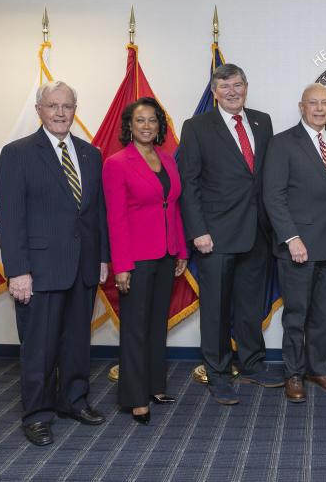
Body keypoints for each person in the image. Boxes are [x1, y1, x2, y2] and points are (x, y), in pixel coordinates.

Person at [0, 81, 109, 446]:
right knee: (39, 348)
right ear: (39, 110)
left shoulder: (90, 154)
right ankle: (38, 414)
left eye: (67, 106)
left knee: (77, 343)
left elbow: (97, 214)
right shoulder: (18, 153)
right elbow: (11, 218)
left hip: (84, 266)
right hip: (39, 270)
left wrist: (104, 257)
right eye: (53, 106)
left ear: (75, 110)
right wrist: (17, 271)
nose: (61, 113)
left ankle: (73, 401)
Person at [178, 63, 280, 405]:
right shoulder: (197, 126)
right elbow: (188, 183)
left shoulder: (262, 121)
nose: (232, 91)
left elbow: (264, 176)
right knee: (217, 308)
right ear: (214, 91)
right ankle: (218, 373)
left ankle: (251, 363)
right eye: (224, 87)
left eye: (237, 85)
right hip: (215, 236)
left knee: (250, 305)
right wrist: (198, 231)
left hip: (257, 232)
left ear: (246, 87)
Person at [102, 97, 188, 425]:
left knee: (156, 324)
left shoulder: (167, 160)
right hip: (136, 258)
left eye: (152, 120)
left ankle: (155, 386)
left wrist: (181, 250)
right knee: (135, 329)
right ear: (129, 126)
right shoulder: (117, 163)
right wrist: (121, 264)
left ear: (159, 126)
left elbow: (173, 206)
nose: (147, 126)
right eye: (140, 121)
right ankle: (135, 398)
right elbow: (116, 218)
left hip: (166, 254)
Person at [263, 83, 326, 403]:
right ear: (302, 107)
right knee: (297, 314)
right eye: (313, 103)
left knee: (324, 313)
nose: (319, 109)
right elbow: (274, 196)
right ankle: (294, 373)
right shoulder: (283, 143)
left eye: (325, 104)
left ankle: (319, 369)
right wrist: (291, 238)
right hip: (298, 246)